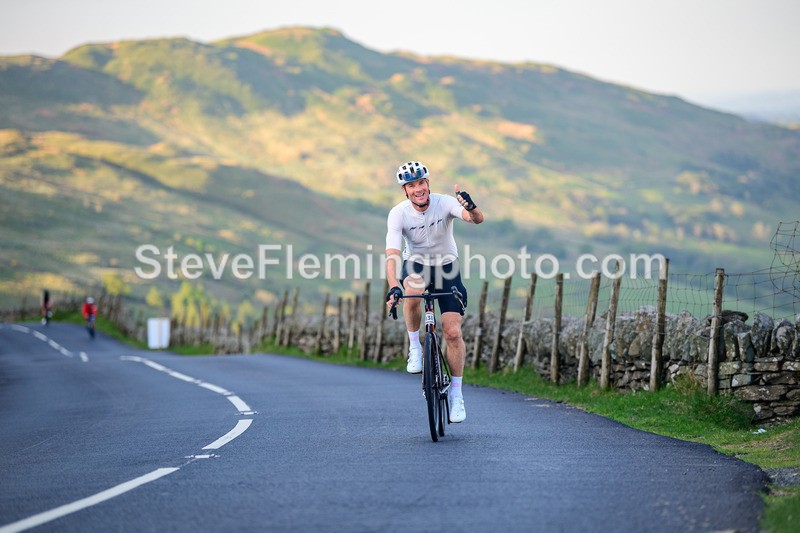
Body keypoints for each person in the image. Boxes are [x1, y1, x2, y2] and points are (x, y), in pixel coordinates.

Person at [385, 161, 484, 423]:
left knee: (452, 331)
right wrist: (393, 284)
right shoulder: (398, 214)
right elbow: (393, 253)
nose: (418, 189)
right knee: (413, 290)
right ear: (405, 191)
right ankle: (415, 346)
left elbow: (475, 220)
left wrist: (470, 208)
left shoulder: (444, 202)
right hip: (416, 264)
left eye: (421, 183)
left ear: (428, 183)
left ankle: (456, 394)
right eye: (411, 186)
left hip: (446, 267)